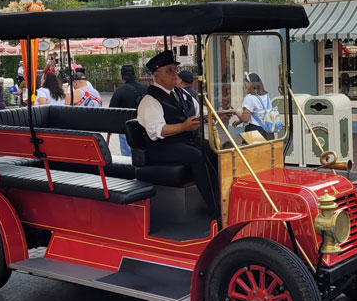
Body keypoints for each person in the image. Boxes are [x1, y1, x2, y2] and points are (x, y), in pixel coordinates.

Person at [137, 50, 218, 217]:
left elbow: (198, 111)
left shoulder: (182, 93)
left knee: (215, 151)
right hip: (162, 148)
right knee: (196, 156)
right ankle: (216, 207)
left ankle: (225, 197)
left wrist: (215, 115)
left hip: (185, 142)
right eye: (170, 70)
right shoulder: (150, 101)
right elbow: (157, 131)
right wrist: (183, 127)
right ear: (156, 75)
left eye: (175, 70)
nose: (175, 74)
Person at [110, 64, 147, 157]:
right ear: (135, 74)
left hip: (126, 128)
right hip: (145, 126)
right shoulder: (145, 88)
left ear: (122, 76)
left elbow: (111, 111)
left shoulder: (120, 91)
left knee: (128, 157)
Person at [234, 73, 278, 139]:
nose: (245, 86)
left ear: (251, 84)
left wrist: (235, 111)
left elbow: (245, 119)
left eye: (246, 84)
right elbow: (259, 113)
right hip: (267, 131)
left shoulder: (250, 98)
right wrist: (239, 121)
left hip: (254, 131)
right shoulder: (266, 96)